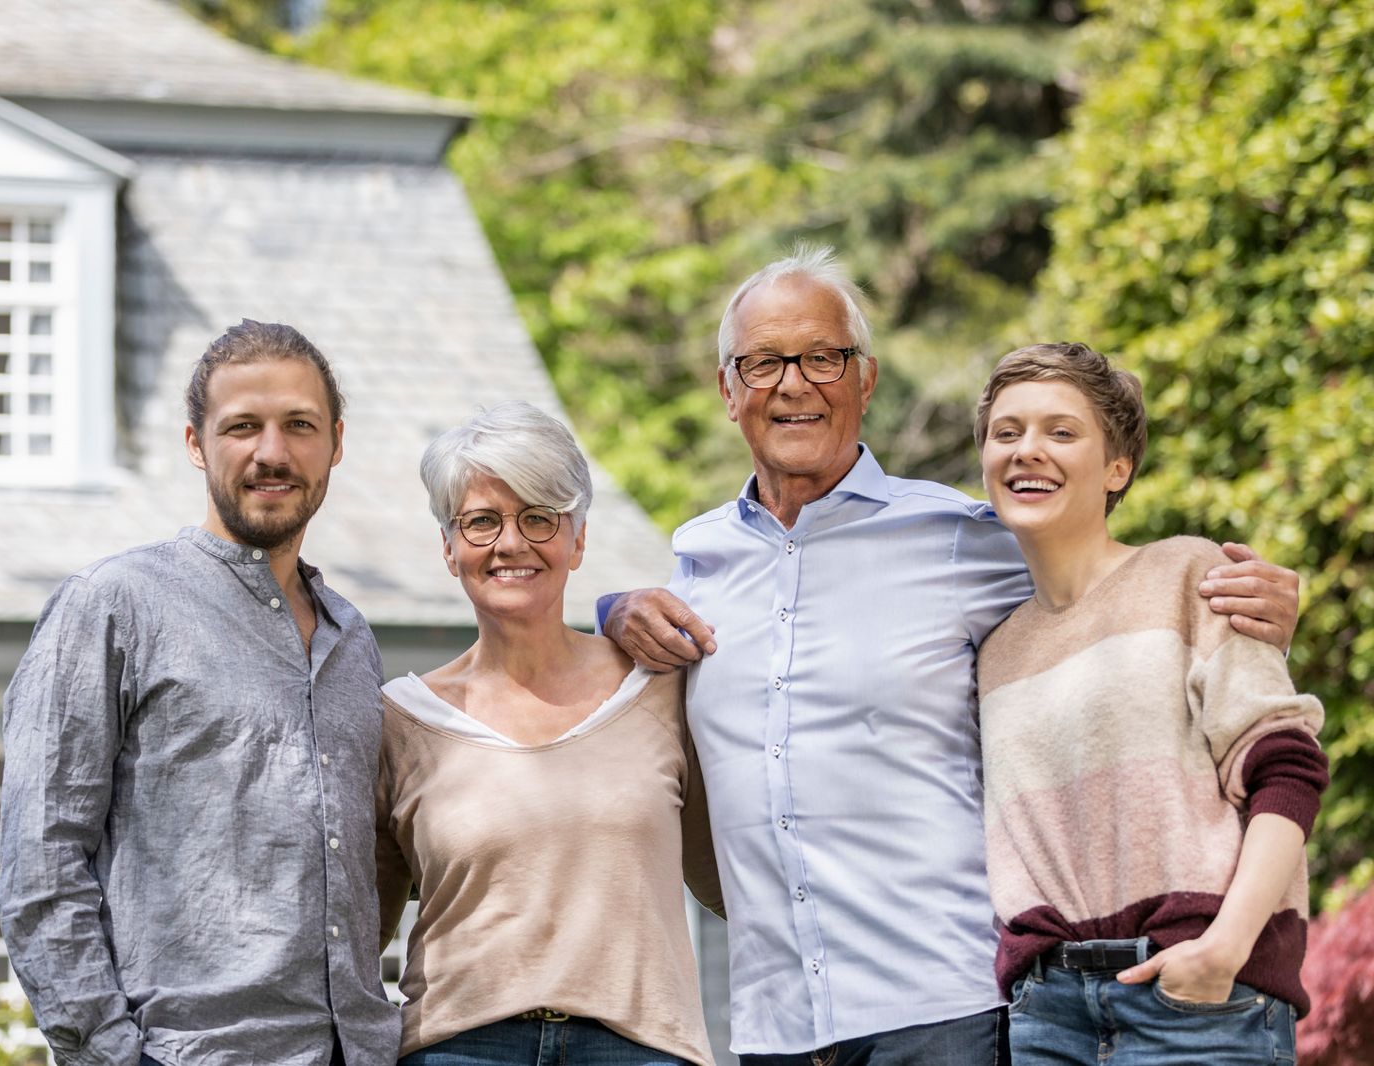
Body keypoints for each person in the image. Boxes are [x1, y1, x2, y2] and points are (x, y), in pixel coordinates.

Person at [600, 247, 1302, 1066]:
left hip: (944, 1012)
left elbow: (1105, 580)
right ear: (729, 390)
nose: (793, 384)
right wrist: (611, 609)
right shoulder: (697, 562)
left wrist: (1254, 607)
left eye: (823, 358)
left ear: (865, 380)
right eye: (764, 362)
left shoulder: (965, 538)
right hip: (774, 1023)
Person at [0, 321, 398, 1066]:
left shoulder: (353, 639)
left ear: (336, 443)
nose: (272, 452)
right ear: (195, 444)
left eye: (299, 425)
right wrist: (110, 1055)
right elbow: (40, 864)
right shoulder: (113, 606)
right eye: (243, 426)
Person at [973, 342, 1327, 1065]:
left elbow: (1288, 770)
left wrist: (1224, 948)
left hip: (1196, 1004)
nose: (1027, 450)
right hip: (1048, 1019)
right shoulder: (994, 652)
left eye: (1060, 431)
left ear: (1118, 468)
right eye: (1007, 432)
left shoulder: (1191, 576)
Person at [375, 401, 722, 1066]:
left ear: (578, 540)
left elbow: (737, 877)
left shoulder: (661, 689)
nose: (511, 543)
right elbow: (356, 931)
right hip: (459, 1049)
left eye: (539, 517)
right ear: (448, 548)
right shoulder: (401, 719)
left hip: (642, 1048)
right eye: (482, 521)